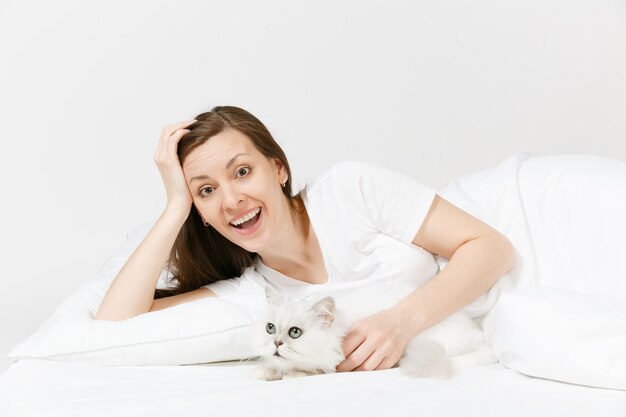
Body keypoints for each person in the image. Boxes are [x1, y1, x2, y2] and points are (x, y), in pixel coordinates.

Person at [95, 105, 516, 373]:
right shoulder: (256, 292)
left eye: (242, 171)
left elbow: (492, 247)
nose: (231, 199)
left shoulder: (348, 190)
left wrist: (400, 322)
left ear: (278, 169)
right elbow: (114, 321)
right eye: (205, 191)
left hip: (521, 256)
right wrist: (174, 206)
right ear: (198, 212)